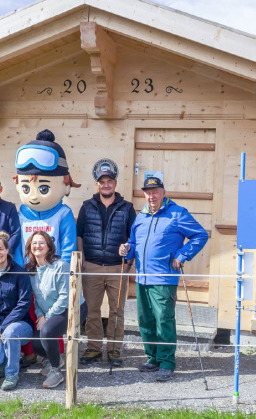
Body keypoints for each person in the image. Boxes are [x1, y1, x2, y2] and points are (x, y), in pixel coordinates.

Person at [119, 176, 209, 382]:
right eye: (148, 192)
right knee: (145, 321)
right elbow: (133, 242)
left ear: (163, 192)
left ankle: (167, 362)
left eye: (155, 191)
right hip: (142, 278)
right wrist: (127, 249)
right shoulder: (140, 216)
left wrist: (182, 254)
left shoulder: (177, 214)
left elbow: (200, 235)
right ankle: (153, 358)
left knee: (163, 320)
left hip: (163, 277)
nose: (151, 196)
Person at [77, 161, 136, 367]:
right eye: (102, 182)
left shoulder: (127, 208)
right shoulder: (86, 206)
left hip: (118, 267)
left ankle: (114, 350)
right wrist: (81, 258)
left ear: (115, 183)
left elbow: (133, 237)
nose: (106, 185)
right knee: (92, 310)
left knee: (117, 311)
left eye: (109, 181)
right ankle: (93, 348)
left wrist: (128, 260)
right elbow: (80, 234)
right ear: (97, 185)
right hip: (92, 266)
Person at [25, 231, 87, 389]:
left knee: (47, 332)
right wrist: (40, 315)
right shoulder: (31, 270)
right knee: (36, 342)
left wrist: (48, 316)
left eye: (41, 243)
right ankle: (57, 360)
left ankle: (56, 372)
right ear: (30, 247)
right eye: (34, 243)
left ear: (49, 246)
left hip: (72, 308)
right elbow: (36, 298)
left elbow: (65, 298)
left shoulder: (60, 266)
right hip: (48, 313)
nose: (37, 246)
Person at [14, 130, 81, 266]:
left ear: (66, 185)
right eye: (26, 188)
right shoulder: (20, 215)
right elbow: (16, 246)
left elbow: (69, 246)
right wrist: (20, 269)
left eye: (43, 189)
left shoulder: (63, 214)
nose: (33, 196)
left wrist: (63, 271)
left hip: (54, 276)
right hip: (28, 274)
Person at [0, 231, 34, 391]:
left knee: (10, 333)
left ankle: (12, 374)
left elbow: (24, 303)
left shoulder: (19, 272)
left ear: (7, 250)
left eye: (0, 249)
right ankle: (3, 360)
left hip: (20, 325)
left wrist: (4, 326)